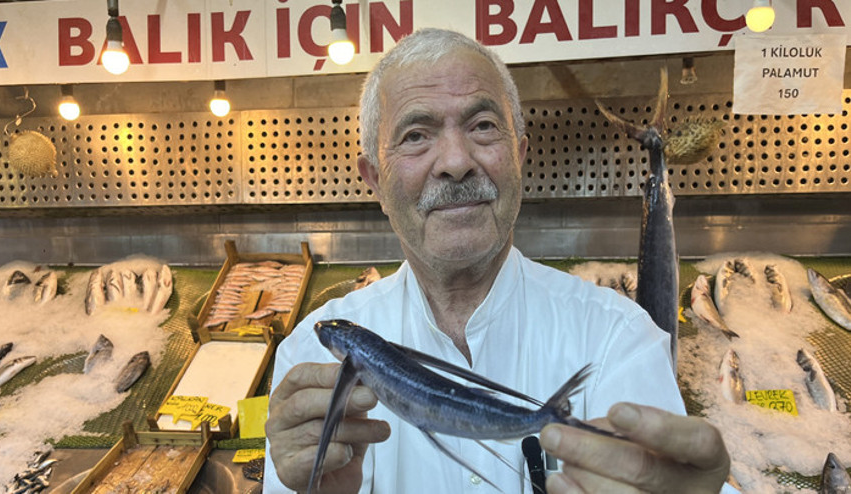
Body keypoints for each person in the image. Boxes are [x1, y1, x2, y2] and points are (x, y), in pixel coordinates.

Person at [264, 28, 732, 494]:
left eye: (482, 126)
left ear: (520, 156)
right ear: (375, 181)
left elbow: (663, 474)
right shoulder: (305, 356)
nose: (455, 161)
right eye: (415, 135)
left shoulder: (618, 338)